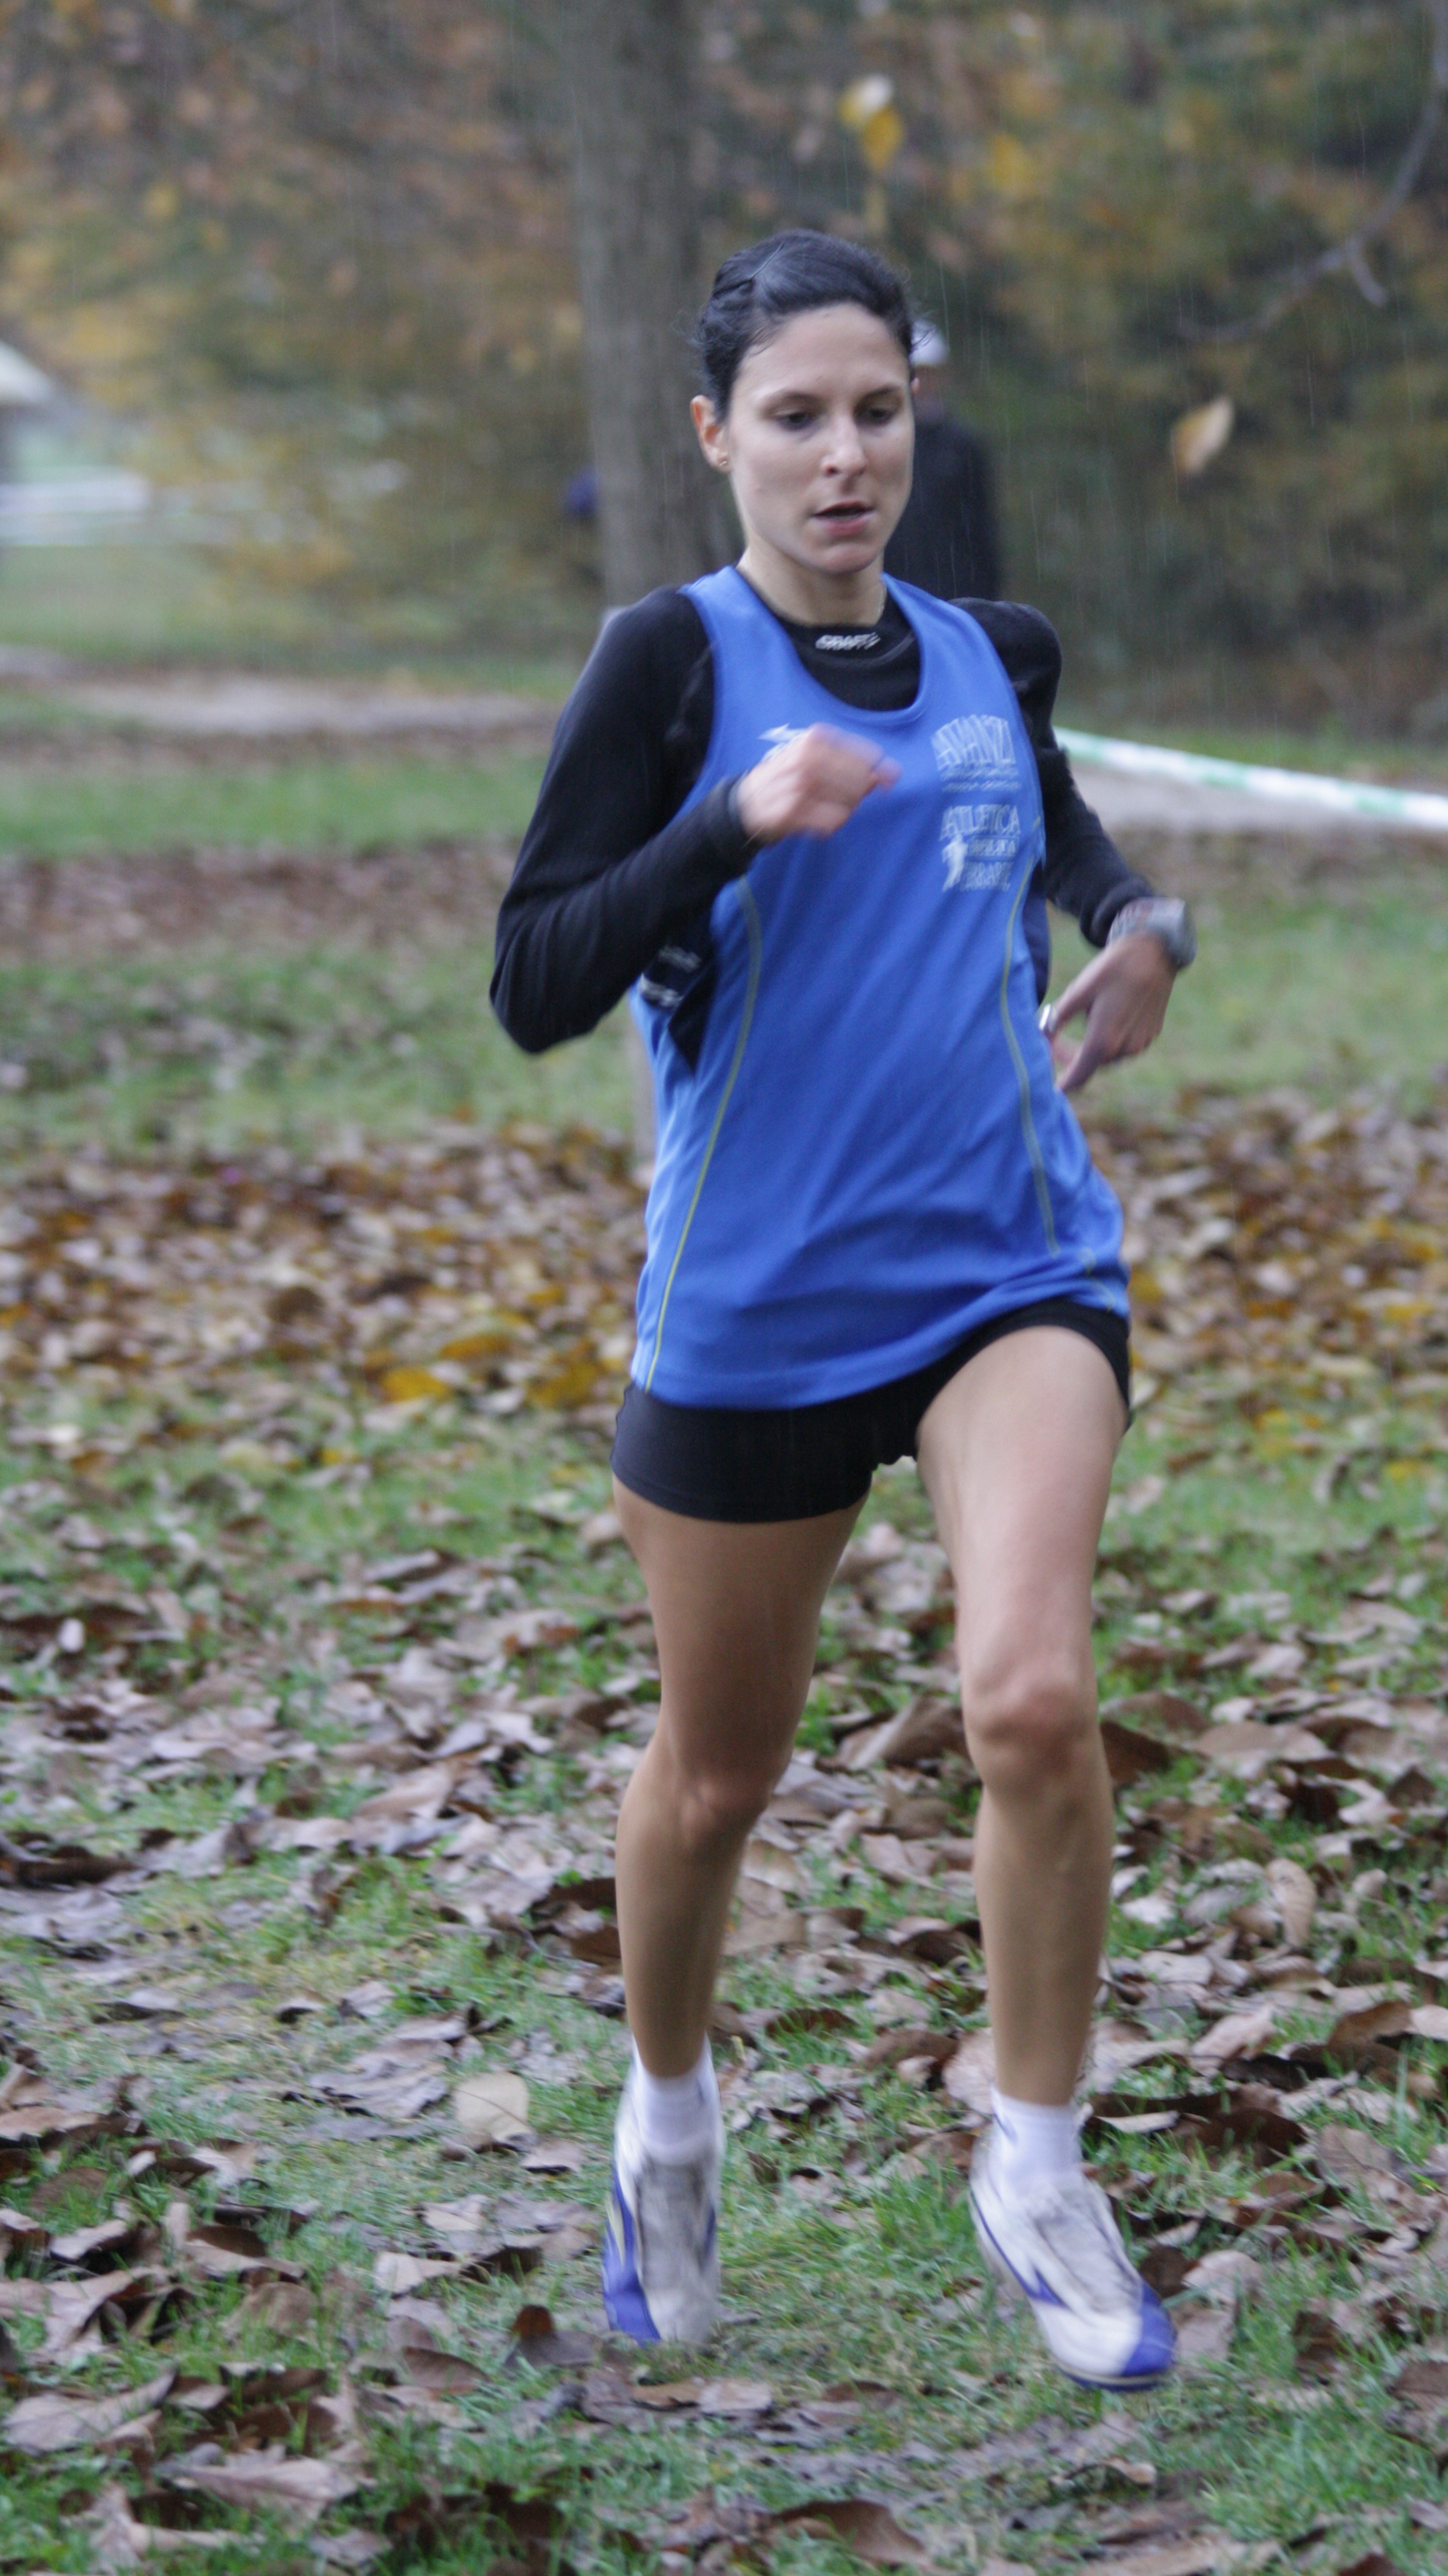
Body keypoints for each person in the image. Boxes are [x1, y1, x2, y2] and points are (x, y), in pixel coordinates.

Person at [491, 230, 1198, 2390]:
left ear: (915, 417)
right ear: (715, 435)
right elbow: (534, 977)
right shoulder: (670, 664)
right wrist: (728, 820)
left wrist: (1143, 916)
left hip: (1012, 1261)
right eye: (794, 416)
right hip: (757, 1306)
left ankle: (1038, 2153)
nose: (843, 454)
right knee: (717, 1776)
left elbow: (1048, 821)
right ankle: (670, 2120)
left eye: (875, 409)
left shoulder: (996, 647)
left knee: (1031, 1701)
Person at [883, 319, 1002, 600]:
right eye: (915, 372)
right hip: (895, 593)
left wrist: (984, 597)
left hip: (954, 593)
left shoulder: (963, 445)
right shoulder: (884, 443)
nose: (922, 382)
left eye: (929, 372)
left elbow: (981, 528)